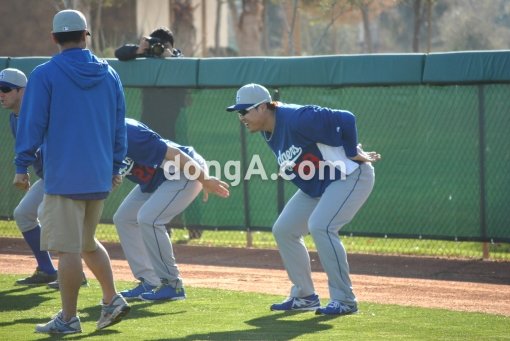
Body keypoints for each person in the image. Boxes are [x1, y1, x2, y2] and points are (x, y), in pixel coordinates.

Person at [14, 9, 129, 333]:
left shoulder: (45, 74)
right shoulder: (110, 74)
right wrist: (116, 166)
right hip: (98, 175)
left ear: (54, 38)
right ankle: (112, 300)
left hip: (64, 178)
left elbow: (32, 124)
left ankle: (68, 318)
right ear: (86, 35)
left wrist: (21, 165)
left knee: (68, 250)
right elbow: (118, 126)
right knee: (87, 242)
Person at [226, 84, 381, 316]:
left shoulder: (297, 117)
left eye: (244, 111)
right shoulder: (268, 129)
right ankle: (305, 296)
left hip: (349, 175)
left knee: (322, 226)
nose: (241, 117)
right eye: (239, 113)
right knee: (284, 229)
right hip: (320, 186)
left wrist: (351, 151)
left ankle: (345, 300)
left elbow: (346, 118)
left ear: (261, 108)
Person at [115, 118, 229, 301]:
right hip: (157, 179)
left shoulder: (128, 130)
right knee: (123, 218)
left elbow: (174, 153)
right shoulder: (99, 137)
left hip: (186, 170)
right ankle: (149, 280)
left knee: (149, 219)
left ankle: (172, 284)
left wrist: (204, 179)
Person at [0, 68, 89, 289]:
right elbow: (28, 149)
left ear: (23, 91)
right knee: (23, 214)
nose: (1, 94)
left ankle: (74, 272)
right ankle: (47, 270)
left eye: (5, 89)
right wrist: (25, 170)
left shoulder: (42, 112)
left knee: (50, 218)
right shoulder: (15, 118)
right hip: (49, 177)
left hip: (65, 176)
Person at [114, 27, 182, 61]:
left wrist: (172, 58)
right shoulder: (148, 53)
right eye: (158, 45)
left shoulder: (176, 56)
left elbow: (183, 65)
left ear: (173, 47)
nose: (161, 48)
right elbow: (118, 53)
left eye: (166, 46)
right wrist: (137, 50)